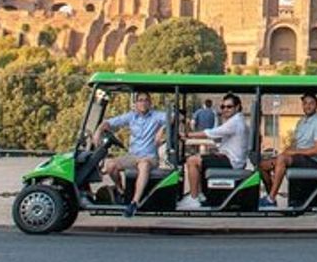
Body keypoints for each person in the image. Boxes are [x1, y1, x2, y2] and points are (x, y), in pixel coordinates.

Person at [94, 90, 170, 218]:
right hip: (133, 156)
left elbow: (175, 117)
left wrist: (163, 128)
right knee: (110, 164)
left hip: (149, 157)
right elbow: (110, 123)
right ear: (136, 103)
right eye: (140, 100)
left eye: (146, 100)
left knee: (144, 165)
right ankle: (121, 191)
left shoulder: (156, 116)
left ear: (150, 103)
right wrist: (98, 131)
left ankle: (134, 202)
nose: (143, 103)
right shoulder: (131, 116)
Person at [177, 93, 249, 210]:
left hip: (232, 161)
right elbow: (218, 138)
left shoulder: (235, 122)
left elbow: (212, 132)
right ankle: (200, 195)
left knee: (192, 161)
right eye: (223, 107)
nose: (225, 109)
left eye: (229, 107)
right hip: (230, 158)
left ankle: (194, 198)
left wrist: (187, 135)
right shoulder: (235, 120)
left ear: (237, 107)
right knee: (199, 157)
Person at [259, 92, 317, 209]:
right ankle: (271, 195)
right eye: (305, 103)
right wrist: (286, 151)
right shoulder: (301, 122)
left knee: (282, 159)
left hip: (311, 160)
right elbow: (296, 144)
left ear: (316, 105)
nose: (308, 106)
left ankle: (270, 198)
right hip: (299, 158)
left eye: (311, 103)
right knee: (263, 164)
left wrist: (293, 152)